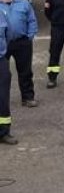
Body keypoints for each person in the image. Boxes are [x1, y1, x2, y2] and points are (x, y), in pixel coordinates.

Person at [0, 0, 38, 107]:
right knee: (3, 74)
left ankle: (28, 97)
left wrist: (30, 36)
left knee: (25, 71)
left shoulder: (23, 3)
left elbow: (32, 20)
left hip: (22, 42)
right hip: (3, 44)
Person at [0, 13, 15, 145]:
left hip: (1, 61)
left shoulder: (1, 15)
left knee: (3, 97)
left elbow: (8, 35)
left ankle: (4, 132)